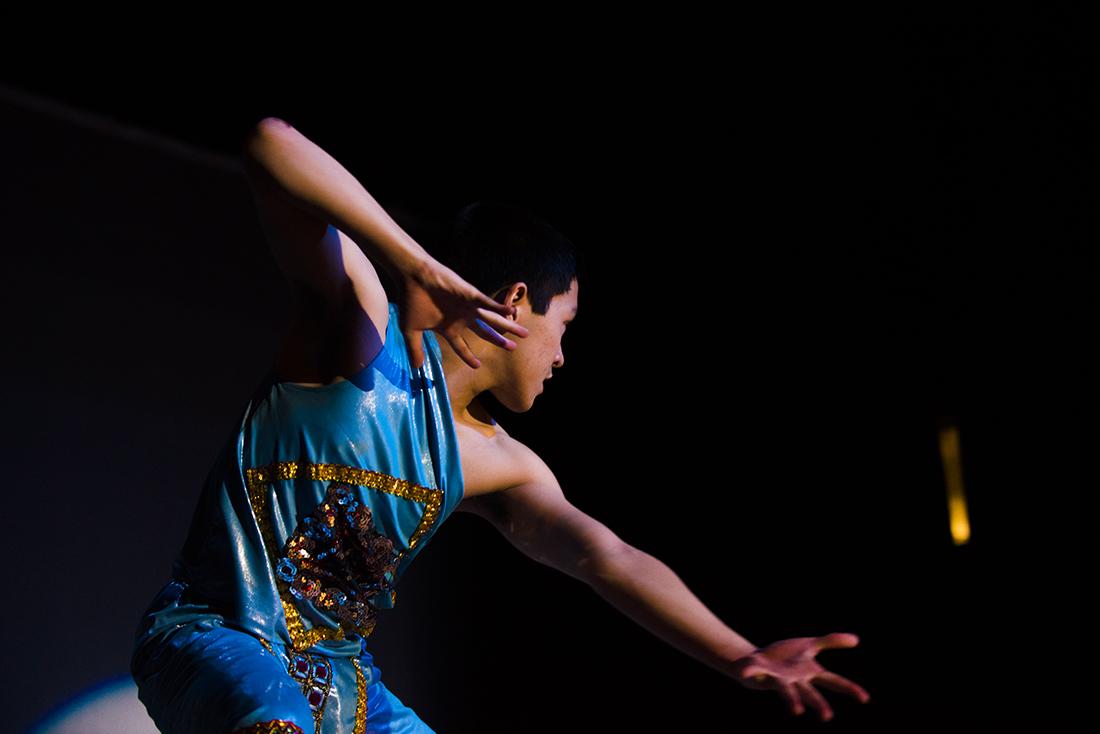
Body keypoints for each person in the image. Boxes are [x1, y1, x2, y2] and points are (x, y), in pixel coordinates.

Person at [130, 117, 871, 733]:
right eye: (566, 325)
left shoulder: (499, 463)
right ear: (517, 302)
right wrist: (412, 264)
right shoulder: (357, 333)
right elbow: (270, 143)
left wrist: (741, 654)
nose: (561, 357)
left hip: (341, 682)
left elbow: (606, 557)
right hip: (212, 638)